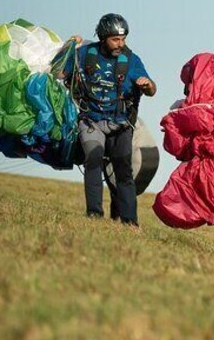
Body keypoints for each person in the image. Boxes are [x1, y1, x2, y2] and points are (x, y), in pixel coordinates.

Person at [59, 13, 156, 225]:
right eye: (115, 39)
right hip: (91, 121)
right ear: (103, 38)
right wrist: (68, 48)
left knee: (123, 169)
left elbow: (152, 90)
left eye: (123, 39)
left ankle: (130, 222)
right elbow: (59, 74)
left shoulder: (131, 60)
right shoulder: (84, 54)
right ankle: (94, 215)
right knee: (93, 159)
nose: (120, 44)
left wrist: (147, 85)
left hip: (121, 123)